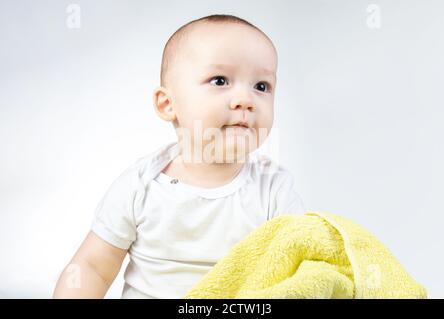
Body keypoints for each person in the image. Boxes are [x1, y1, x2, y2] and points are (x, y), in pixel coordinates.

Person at [53, 14, 306, 299]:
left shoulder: (273, 190)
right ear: (167, 104)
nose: (245, 100)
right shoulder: (141, 187)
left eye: (261, 86)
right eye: (220, 80)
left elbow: (301, 270)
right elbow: (92, 268)